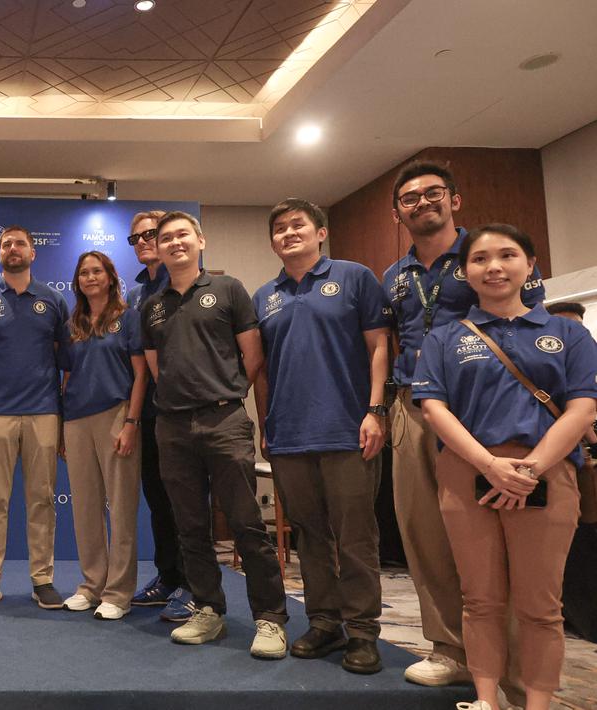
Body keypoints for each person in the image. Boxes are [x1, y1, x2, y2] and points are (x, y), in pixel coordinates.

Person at [412, 224, 597, 710]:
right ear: (466, 272)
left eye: (508, 255)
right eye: (481, 259)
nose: (494, 267)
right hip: (466, 471)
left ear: (530, 265)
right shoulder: (445, 338)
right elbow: (433, 408)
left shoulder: (567, 334)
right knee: (481, 600)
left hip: (548, 472)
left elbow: (582, 408)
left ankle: (536, 704)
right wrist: (490, 465)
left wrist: (530, 468)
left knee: (540, 607)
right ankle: (487, 699)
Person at [382, 161, 545, 687]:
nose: (422, 203)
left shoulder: (487, 256)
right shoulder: (395, 275)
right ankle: (449, 648)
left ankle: (515, 667)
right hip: (410, 406)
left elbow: (525, 326)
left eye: (434, 193)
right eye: (410, 198)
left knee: (495, 533)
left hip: (479, 409)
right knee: (424, 532)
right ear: (398, 212)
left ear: (455, 200)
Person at [140, 211, 289, 658]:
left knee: (246, 523)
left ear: (200, 239)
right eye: (166, 238)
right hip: (172, 424)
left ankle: (270, 619)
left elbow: (252, 355)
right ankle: (207, 608)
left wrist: (223, 393)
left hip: (224, 420)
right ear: (159, 249)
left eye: (183, 234)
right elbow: (154, 366)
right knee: (189, 526)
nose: (175, 243)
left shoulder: (228, 290)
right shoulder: (153, 305)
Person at [252, 199, 390, 673]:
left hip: (348, 428)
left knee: (355, 536)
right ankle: (324, 622)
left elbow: (379, 346)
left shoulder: (354, 277)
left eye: (298, 226)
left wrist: (376, 410)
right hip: (289, 434)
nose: (288, 234)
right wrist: (267, 423)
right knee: (310, 536)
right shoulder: (263, 297)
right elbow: (263, 371)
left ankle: (363, 631)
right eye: (279, 229)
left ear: (321, 232)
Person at [0, 225, 69, 611]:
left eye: (20, 243)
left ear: (33, 253)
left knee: (41, 498)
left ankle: (43, 579)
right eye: (6, 244)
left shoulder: (53, 300)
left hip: (43, 411)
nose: (13, 248)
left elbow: (60, 357)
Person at [60, 251, 146, 620]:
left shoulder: (128, 319)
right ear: (77, 281)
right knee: (85, 508)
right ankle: (92, 585)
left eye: (97, 271)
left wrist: (131, 422)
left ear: (110, 277)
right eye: (83, 273)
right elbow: (65, 377)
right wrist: (62, 426)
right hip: (76, 420)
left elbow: (142, 374)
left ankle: (118, 592)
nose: (90, 277)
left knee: (121, 508)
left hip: (116, 414)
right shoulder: (72, 324)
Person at [125, 209, 191, 621]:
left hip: (183, 409)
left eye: (153, 233)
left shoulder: (183, 283)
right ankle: (168, 576)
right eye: (137, 238)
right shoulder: (133, 295)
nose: (146, 241)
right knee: (158, 498)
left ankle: (192, 583)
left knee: (185, 501)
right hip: (147, 412)